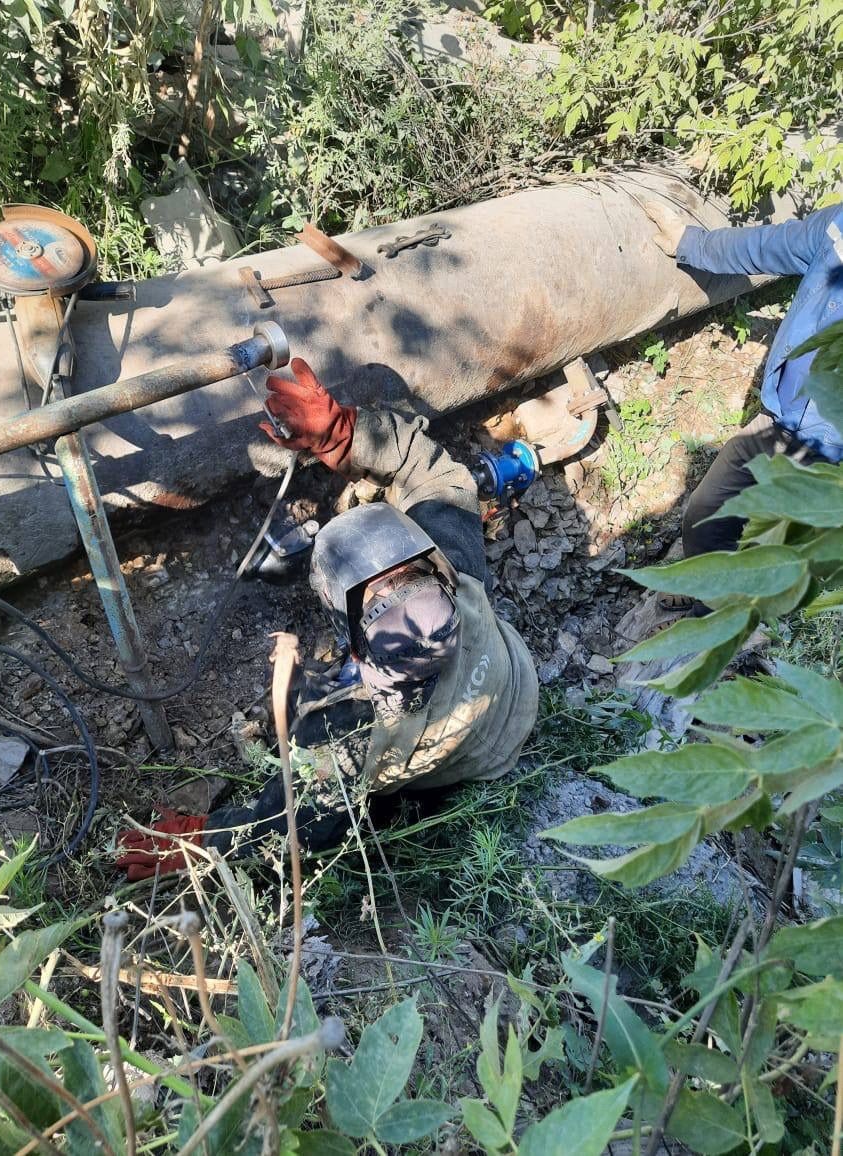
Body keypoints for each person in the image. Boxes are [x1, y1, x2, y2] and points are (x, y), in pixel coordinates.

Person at [117, 359, 539, 879]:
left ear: (355, 647)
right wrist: (344, 433)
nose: (390, 574)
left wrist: (201, 841)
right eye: (399, 569)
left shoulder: (345, 731)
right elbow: (438, 474)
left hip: (478, 768)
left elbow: (287, 830)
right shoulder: (462, 577)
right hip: (519, 688)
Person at [643, 199, 843, 610]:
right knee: (707, 514)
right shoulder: (837, 228)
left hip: (832, 443)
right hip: (788, 421)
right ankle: (712, 591)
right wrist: (689, 241)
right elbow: (768, 244)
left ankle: (715, 628)